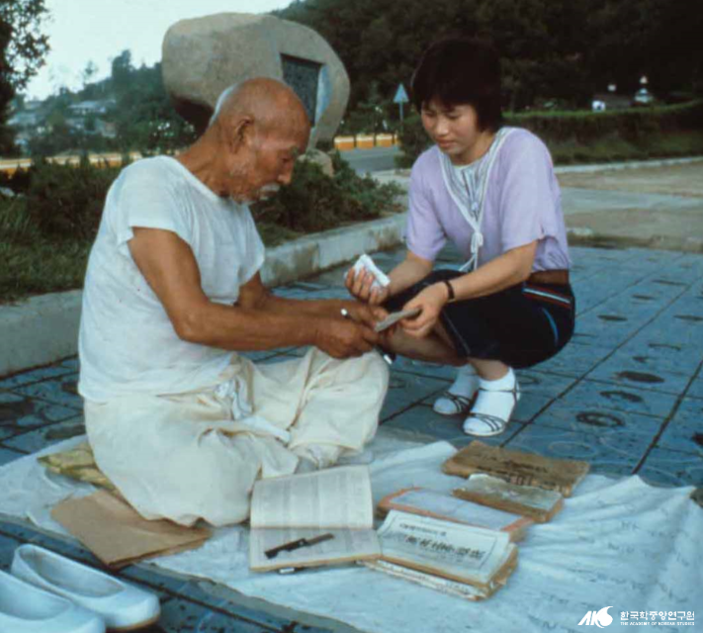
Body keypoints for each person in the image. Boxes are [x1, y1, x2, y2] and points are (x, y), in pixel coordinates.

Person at [78, 78, 389, 527]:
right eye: (286, 158)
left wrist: (344, 313)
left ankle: (274, 467)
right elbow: (194, 321)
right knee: (204, 482)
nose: (286, 176)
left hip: (229, 389)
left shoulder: (234, 211)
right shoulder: (149, 186)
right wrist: (318, 330)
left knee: (364, 368)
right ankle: (292, 460)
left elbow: (257, 305)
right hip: (144, 405)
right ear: (243, 133)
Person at [347, 38, 575, 438]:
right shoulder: (426, 169)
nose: (439, 129)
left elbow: (520, 263)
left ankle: (499, 380)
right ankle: (473, 364)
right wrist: (378, 288)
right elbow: (418, 261)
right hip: (480, 302)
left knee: (439, 290)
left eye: (452, 115)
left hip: (540, 306)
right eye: (428, 113)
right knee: (387, 313)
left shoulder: (521, 152)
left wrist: (443, 293)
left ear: (482, 108)